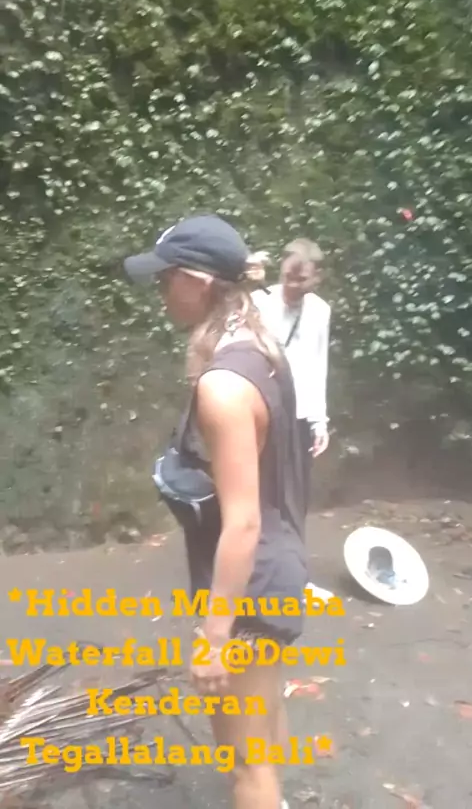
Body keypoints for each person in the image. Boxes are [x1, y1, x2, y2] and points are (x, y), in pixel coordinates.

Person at [124, 214, 308, 809]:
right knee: (263, 732)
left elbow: (242, 522)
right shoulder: (262, 348)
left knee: (245, 765)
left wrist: (214, 637)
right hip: (278, 565)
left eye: (166, 279)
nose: (161, 292)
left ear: (199, 281)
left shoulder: (223, 386)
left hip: (250, 585)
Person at [252, 238, 331, 504]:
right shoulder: (259, 302)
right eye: (288, 277)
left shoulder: (320, 311)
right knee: (259, 486)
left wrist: (319, 421)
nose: (293, 285)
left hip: (299, 413)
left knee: (294, 490)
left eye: (302, 279)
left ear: (318, 276)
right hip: (261, 407)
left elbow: (318, 364)